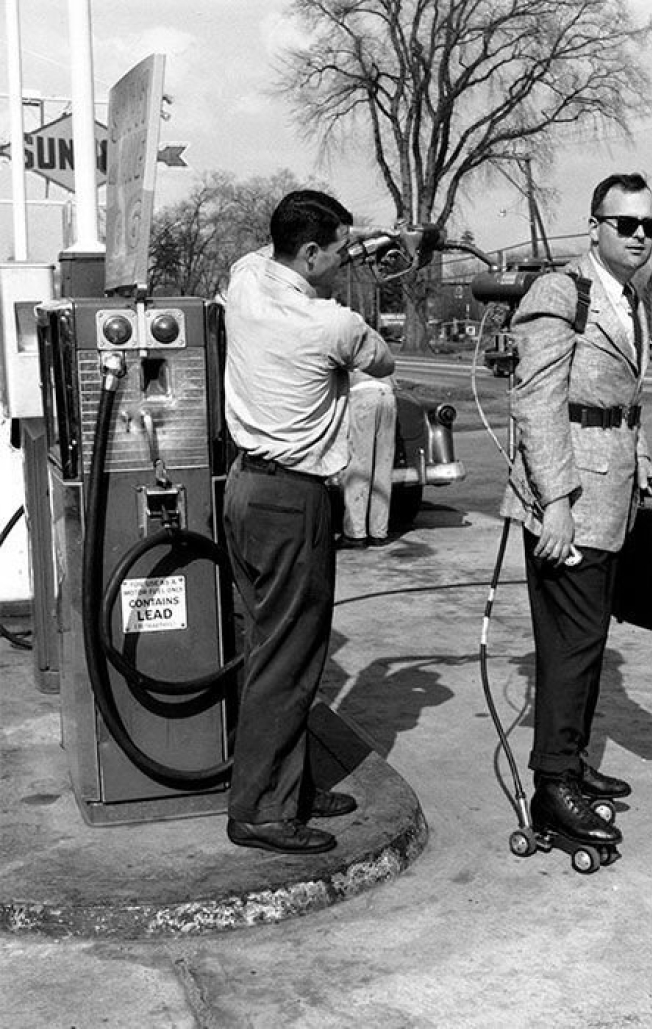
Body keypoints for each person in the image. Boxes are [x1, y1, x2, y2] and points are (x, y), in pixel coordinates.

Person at [222, 190, 395, 854]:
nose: (347, 259)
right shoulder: (332, 324)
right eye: (340, 250)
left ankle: (285, 785)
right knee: (288, 659)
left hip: (244, 488)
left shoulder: (244, 277)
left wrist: (366, 240)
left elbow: (272, 258)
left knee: (268, 646)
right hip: (293, 501)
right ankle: (261, 809)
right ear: (312, 252)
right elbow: (381, 360)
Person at [501, 172, 652, 850]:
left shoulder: (625, 297)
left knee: (588, 642)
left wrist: (644, 456)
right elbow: (537, 402)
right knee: (569, 648)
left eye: (648, 227)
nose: (637, 237)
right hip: (569, 498)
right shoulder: (559, 291)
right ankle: (551, 788)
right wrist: (556, 503)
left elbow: (616, 396)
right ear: (592, 225)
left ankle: (570, 764)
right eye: (624, 224)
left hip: (610, 493)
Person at [338, 370, 398, 548]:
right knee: (383, 465)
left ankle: (355, 533)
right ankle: (379, 531)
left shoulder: (352, 342)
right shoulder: (379, 343)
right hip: (387, 394)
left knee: (359, 465)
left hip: (362, 393)